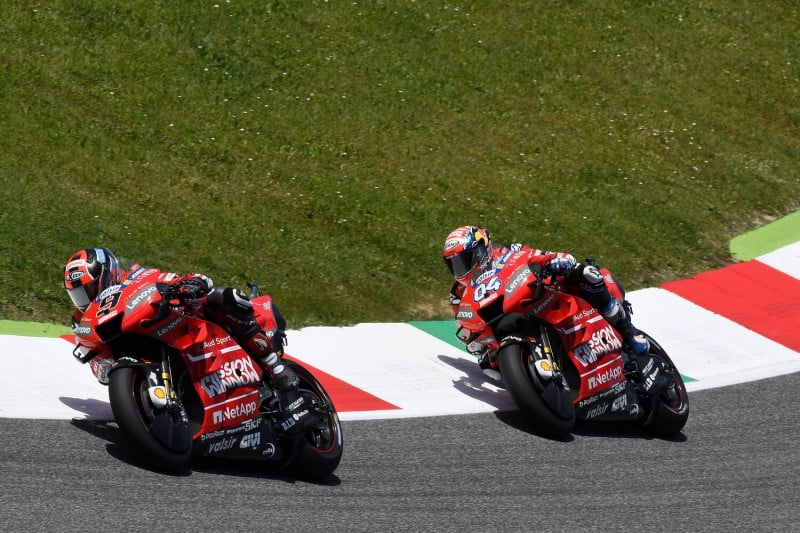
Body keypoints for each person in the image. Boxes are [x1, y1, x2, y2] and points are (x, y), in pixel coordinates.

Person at [63, 247, 310, 424]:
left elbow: (173, 279)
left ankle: (277, 369)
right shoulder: (82, 320)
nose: (86, 299)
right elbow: (99, 370)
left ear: (107, 274)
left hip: (191, 324)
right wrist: (104, 365)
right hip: (148, 348)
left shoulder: (136, 277)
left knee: (223, 296)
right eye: (80, 295)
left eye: (91, 289)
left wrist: (191, 284)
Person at [442, 225, 668, 395]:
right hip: (501, 330)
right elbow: (466, 325)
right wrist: (474, 340)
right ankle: (540, 383)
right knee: (490, 367)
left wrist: (557, 260)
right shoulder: (459, 294)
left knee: (587, 274)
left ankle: (630, 336)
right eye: (454, 264)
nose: (460, 268)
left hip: (538, 297)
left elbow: (538, 256)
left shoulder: (510, 252)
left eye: (465, 259)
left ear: (482, 249)